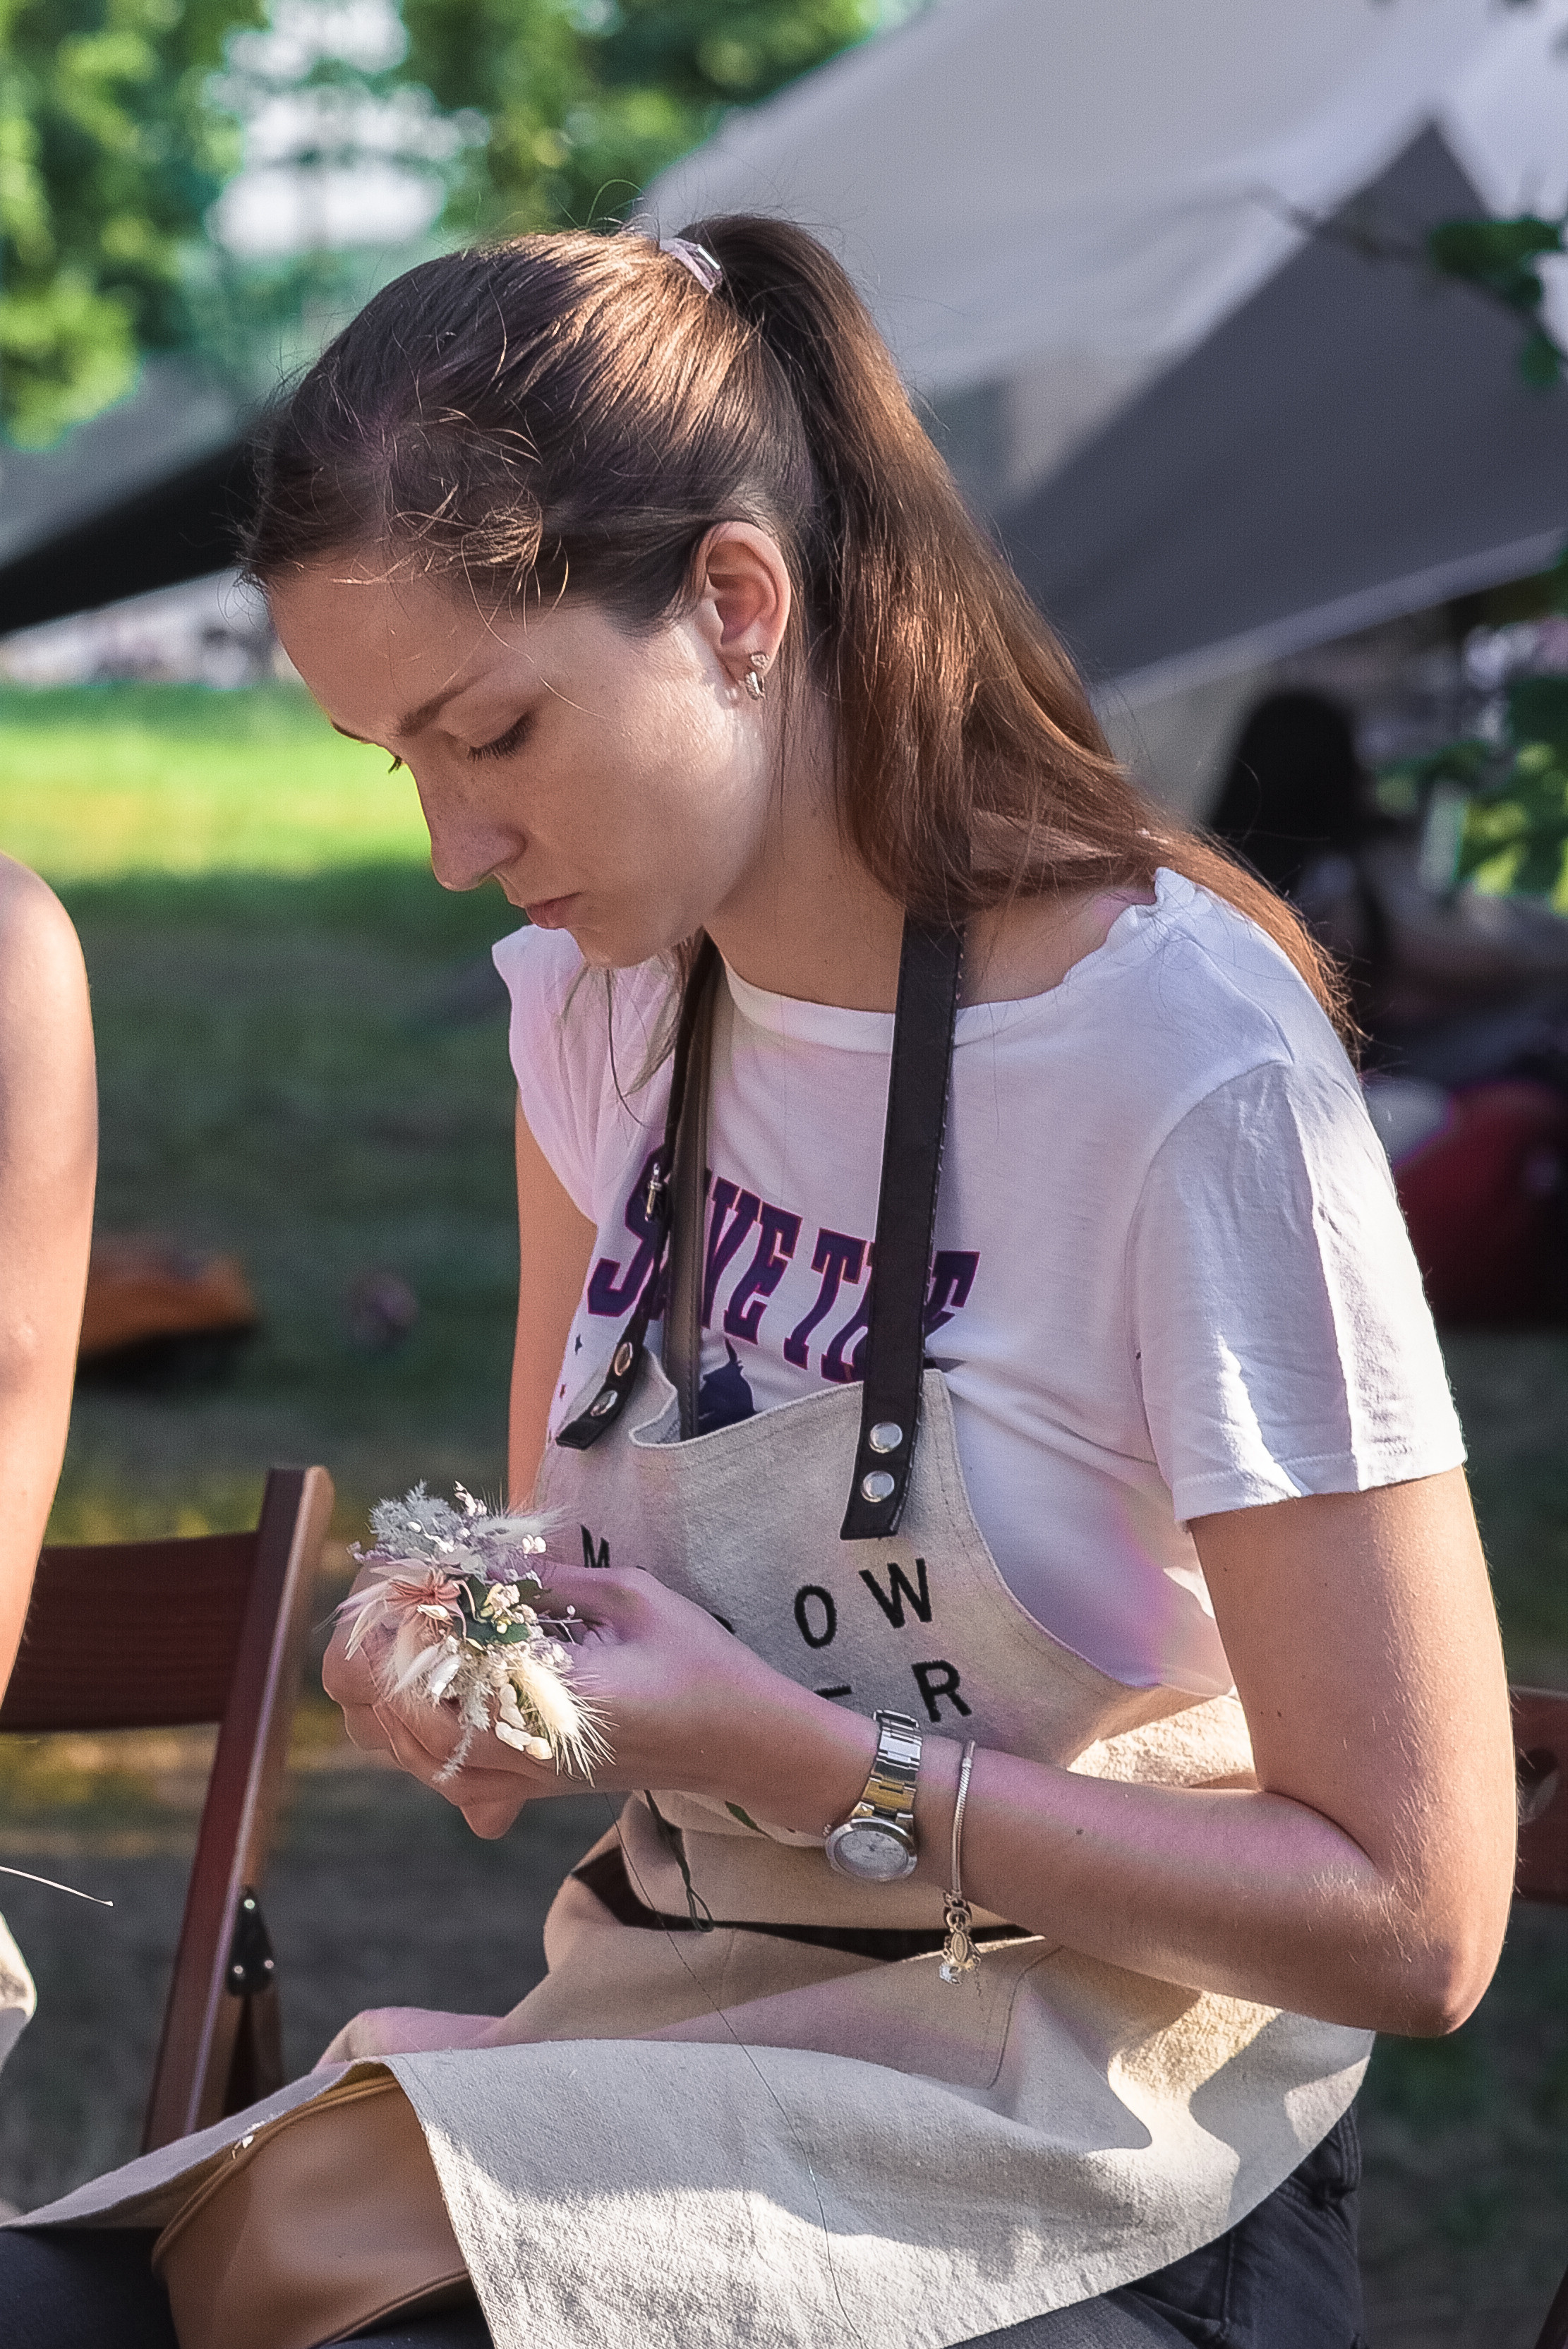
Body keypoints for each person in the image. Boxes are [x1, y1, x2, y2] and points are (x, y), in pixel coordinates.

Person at [5, 220, 1515, 2348]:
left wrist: (838, 1773)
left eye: (494, 730)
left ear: (736, 600)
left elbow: (1420, 1918)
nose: (452, 841)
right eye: (396, 760)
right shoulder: (596, 1014)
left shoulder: (1183, 1062)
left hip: (1107, 2171)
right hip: (670, 2049)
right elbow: (555, 1591)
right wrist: (458, 1646)